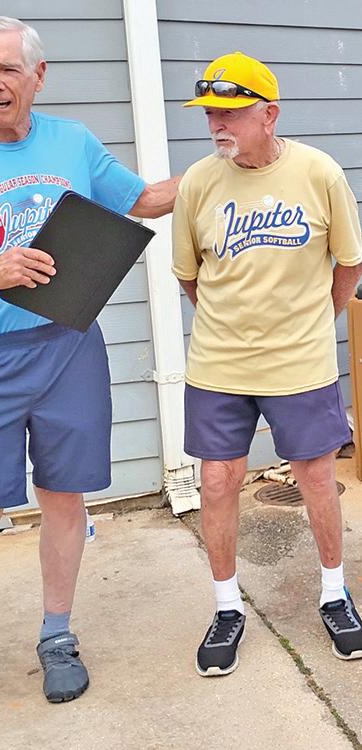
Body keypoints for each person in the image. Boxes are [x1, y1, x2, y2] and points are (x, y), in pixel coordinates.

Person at [0, 16, 180, 744]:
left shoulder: (72, 143)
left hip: (69, 348)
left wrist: (227, 160)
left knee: (64, 497)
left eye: (8, 69)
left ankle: (57, 635)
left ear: (37, 76)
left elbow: (144, 200)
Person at [172, 51, 362, 678]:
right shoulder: (198, 183)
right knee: (218, 481)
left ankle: (334, 593)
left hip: (300, 363)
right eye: (209, 114)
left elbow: (349, 263)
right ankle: (227, 606)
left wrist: (314, 322)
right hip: (219, 364)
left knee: (316, 478)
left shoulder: (318, 172)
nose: (216, 124)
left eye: (229, 113)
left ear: (270, 114)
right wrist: (230, 324)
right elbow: (189, 276)